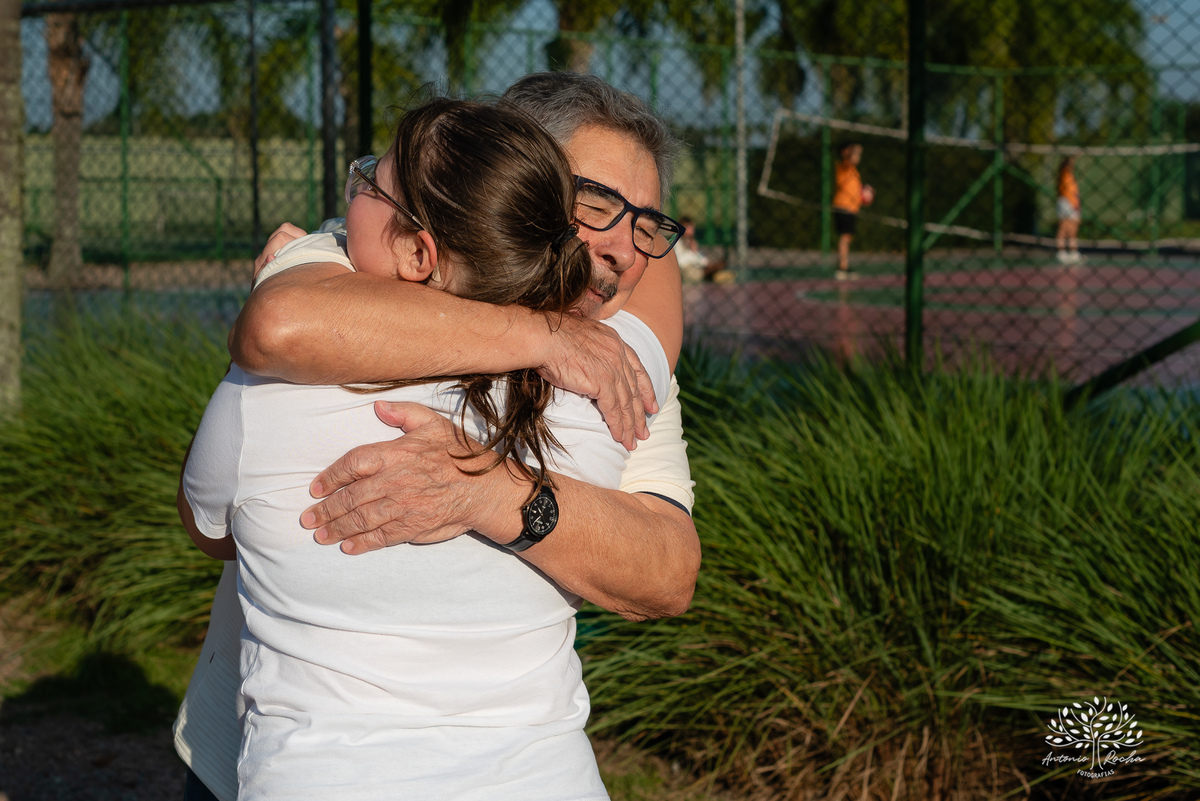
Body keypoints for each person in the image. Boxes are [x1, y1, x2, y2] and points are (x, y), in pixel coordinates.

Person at [174, 73, 700, 801]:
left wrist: (495, 491)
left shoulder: (610, 358)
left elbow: (668, 570)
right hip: (244, 745)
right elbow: (278, 324)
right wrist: (540, 334)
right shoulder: (343, 261)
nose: (626, 252)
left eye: (646, 224)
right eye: (595, 204)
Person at [832, 142, 872, 280]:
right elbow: (849, 158)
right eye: (854, 152)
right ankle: (843, 267)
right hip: (843, 206)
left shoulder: (854, 172)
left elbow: (855, 192)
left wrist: (865, 194)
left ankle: (844, 265)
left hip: (852, 208)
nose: (857, 156)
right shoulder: (844, 166)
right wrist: (854, 149)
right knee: (845, 236)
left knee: (847, 236)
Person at [675, 216, 729, 284]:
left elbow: (700, 257)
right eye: (690, 227)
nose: (692, 230)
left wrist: (706, 262)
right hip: (686, 270)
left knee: (709, 267)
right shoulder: (677, 241)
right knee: (699, 272)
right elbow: (681, 261)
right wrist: (692, 252)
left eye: (693, 228)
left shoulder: (691, 242)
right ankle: (712, 271)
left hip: (696, 267)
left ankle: (713, 271)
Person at [1056, 155, 1083, 264]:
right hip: (1067, 202)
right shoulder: (1064, 173)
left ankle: (1072, 252)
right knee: (1064, 228)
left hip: (1072, 203)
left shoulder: (1070, 175)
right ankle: (1061, 253)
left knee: (1073, 229)